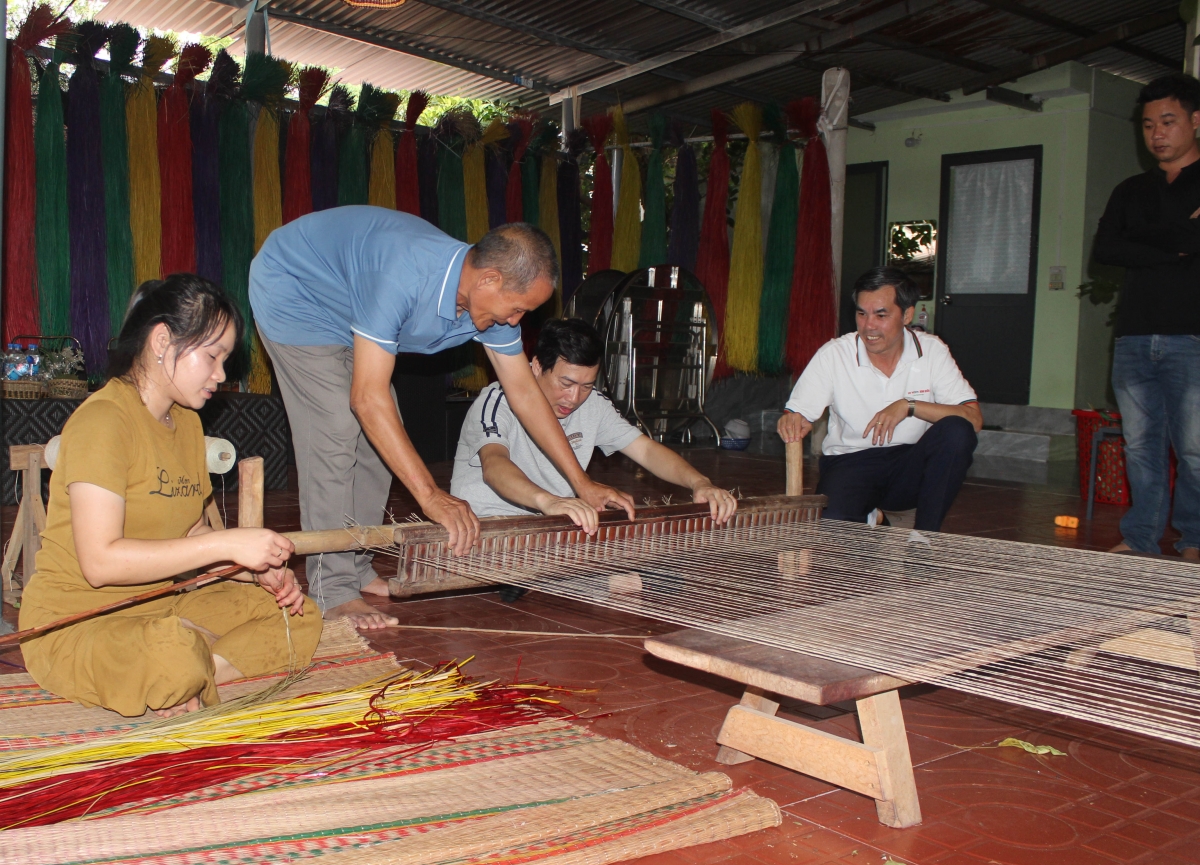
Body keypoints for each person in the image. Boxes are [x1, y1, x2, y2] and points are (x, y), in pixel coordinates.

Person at [250, 208, 635, 629]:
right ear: (489, 279)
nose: (515, 322)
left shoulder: (488, 302)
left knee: (381, 444)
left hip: (348, 306)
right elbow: (365, 398)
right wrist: (430, 496)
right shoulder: (400, 274)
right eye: (517, 308)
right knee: (339, 427)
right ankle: (333, 589)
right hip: (296, 294)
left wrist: (582, 483)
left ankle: (356, 566)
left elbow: (524, 392)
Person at [19, 275, 321, 719]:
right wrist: (228, 543)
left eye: (225, 359)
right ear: (162, 340)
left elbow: (190, 531)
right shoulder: (104, 421)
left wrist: (251, 572)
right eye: (212, 356)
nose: (220, 374)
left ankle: (193, 669)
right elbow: (100, 564)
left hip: (165, 604)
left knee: (299, 617)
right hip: (78, 622)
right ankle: (182, 662)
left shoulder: (186, 422)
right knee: (172, 654)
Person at [451, 318, 737, 534]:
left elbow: (646, 451)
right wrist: (549, 501)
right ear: (536, 366)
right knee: (625, 583)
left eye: (586, 386)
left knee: (654, 571)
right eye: (566, 383)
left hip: (552, 524)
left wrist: (700, 483)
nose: (574, 398)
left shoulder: (594, 405)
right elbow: (494, 466)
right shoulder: (496, 401)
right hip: (486, 526)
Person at [776, 267, 982, 531]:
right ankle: (875, 516)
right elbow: (798, 413)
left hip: (909, 468)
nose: (868, 326)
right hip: (851, 463)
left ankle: (924, 538)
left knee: (957, 430)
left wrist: (910, 406)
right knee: (835, 537)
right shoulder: (835, 354)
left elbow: (973, 419)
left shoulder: (931, 351)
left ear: (907, 314)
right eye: (862, 314)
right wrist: (793, 420)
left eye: (881, 315)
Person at [1094, 73, 1200, 560]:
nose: (1157, 133)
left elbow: (1132, 245)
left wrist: (1151, 240)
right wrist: (1179, 240)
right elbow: (1107, 248)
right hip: (1134, 337)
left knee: (1196, 450)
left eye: (1168, 121)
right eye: (1148, 124)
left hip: (1193, 337)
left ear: (1195, 122)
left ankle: (1195, 538)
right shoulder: (1130, 189)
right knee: (1141, 449)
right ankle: (1140, 540)